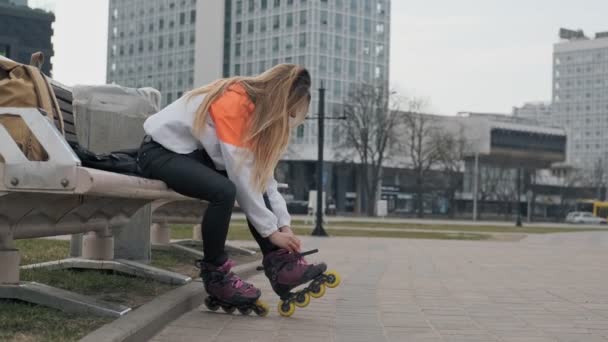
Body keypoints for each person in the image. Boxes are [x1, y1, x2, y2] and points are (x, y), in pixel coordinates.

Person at [138, 64, 327, 314]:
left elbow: (265, 181)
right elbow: (241, 176)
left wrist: (284, 227)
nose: (288, 119)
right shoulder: (236, 102)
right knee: (224, 190)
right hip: (160, 153)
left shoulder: (256, 115)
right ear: (279, 99)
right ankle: (216, 276)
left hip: (192, 158)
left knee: (242, 186)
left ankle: (281, 266)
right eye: (288, 112)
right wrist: (271, 232)